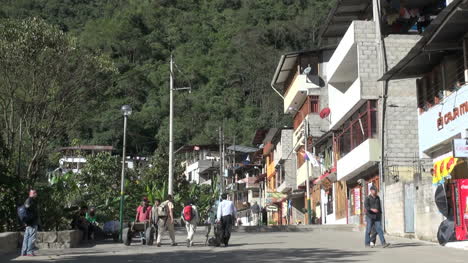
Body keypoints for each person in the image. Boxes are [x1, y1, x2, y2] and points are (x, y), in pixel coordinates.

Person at [21, 190, 39, 256]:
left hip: (28, 222)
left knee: (26, 237)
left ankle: (24, 252)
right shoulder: (30, 201)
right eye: (35, 193)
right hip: (32, 222)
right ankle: (29, 251)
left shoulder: (27, 200)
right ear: (33, 194)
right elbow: (29, 210)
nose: (36, 194)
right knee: (32, 237)